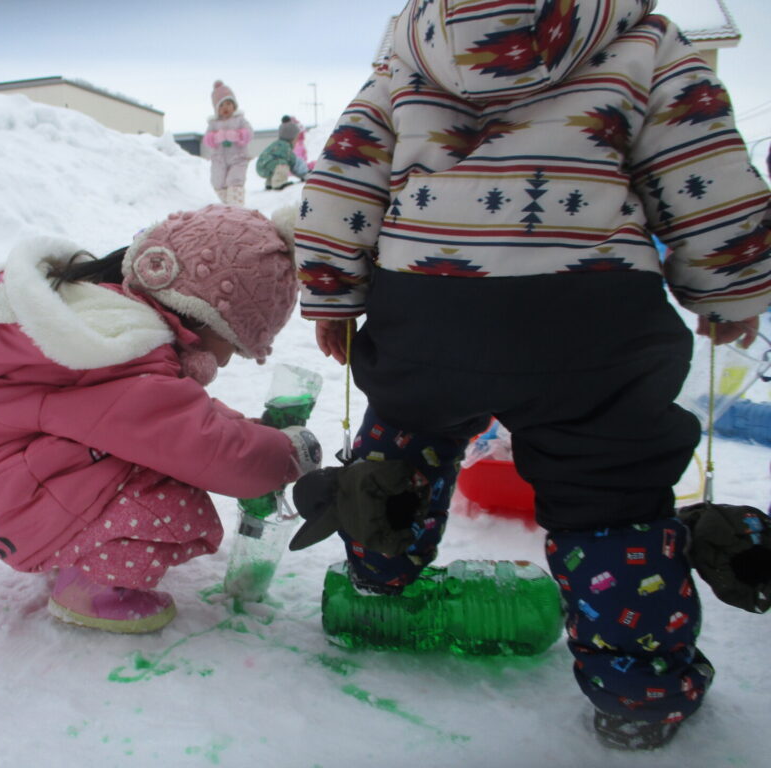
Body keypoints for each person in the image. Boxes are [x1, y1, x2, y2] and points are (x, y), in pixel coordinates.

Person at [291, 0, 770, 751]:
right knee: (611, 493)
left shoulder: (413, 47)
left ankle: (380, 562)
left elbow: (346, 171)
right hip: (589, 313)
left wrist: (331, 293)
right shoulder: (642, 38)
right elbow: (700, 166)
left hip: (430, 303)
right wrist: (729, 286)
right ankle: (638, 688)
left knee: (408, 430)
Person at [0, 204, 321, 634]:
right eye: (237, 344)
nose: (229, 358)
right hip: (3, 501)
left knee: (148, 456)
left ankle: (71, 544)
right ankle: (93, 590)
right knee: (173, 503)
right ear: (209, 315)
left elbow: (177, 413)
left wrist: (252, 430)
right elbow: (205, 447)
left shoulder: (97, 325)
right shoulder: (126, 353)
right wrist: (286, 455)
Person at [203, 81, 252, 207]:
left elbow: (249, 133)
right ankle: (225, 207)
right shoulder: (213, 123)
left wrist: (238, 135)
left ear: (234, 106)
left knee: (235, 180)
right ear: (216, 109)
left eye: (229, 103)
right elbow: (207, 139)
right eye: (221, 105)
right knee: (218, 182)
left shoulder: (240, 120)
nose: (225, 108)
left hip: (238, 158)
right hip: (219, 159)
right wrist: (215, 137)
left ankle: (237, 207)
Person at [256, 116, 310, 190]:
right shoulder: (286, 147)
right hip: (268, 164)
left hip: (260, 166)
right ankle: (279, 183)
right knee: (283, 164)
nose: (296, 141)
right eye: (296, 139)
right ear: (291, 138)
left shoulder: (276, 144)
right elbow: (293, 161)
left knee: (275, 164)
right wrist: (304, 174)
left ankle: (270, 183)